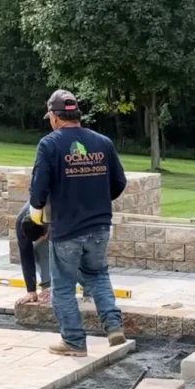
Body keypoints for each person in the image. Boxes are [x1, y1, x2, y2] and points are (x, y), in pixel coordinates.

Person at [29, 89, 127, 356]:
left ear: (54, 117)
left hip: (67, 229)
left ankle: (73, 342)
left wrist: (36, 217)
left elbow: (38, 191)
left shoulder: (49, 145)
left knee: (62, 286)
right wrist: (97, 200)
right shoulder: (103, 142)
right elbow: (119, 182)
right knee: (98, 275)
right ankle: (114, 327)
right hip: (99, 226)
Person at [15, 203, 92, 307]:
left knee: (73, 256)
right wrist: (31, 290)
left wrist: (58, 286)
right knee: (38, 247)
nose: (43, 240)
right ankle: (48, 286)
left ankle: (90, 292)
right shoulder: (21, 223)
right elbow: (26, 256)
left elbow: (69, 257)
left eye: (43, 237)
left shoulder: (61, 213)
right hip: (51, 223)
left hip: (81, 226)